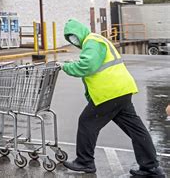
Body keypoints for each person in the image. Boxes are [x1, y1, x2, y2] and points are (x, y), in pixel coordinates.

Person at [61, 19, 165, 177]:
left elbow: (88, 66)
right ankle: (151, 167)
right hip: (122, 90)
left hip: (110, 93)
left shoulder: (91, 41)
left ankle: (85, 162)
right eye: (70, 38)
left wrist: (65, 66)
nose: (73, 40)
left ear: (80, 31)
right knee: (136, 129)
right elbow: (95, 62)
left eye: (73, 36)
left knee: (87, 122)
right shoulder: (97, 40)